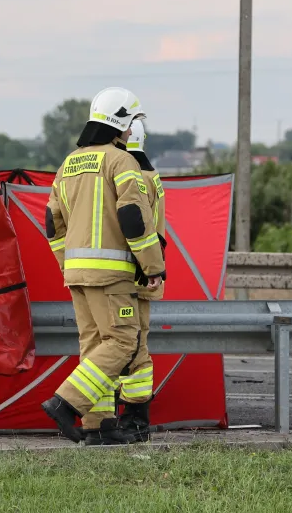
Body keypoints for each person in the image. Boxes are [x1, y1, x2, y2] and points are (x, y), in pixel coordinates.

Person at [40, 88, 166, 445]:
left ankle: (99, 427)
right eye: (132, 124)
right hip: (112, 275)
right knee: (124, 342)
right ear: (122, 122)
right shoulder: (121, 161)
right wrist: (152, 266)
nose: (132, 132)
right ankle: (66, 403)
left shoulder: (69, 163)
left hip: (77, 275)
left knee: (95, 346)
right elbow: (133, 219)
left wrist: (69, 264)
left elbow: (53, 222)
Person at [115, 118, 166, 443]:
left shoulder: (132, 176)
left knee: (130, 351)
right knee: (133, 347)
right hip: (146, 276)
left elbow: (134, 227)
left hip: (131, 277)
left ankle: (134, 420)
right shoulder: (153, 176)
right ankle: (132, 419)